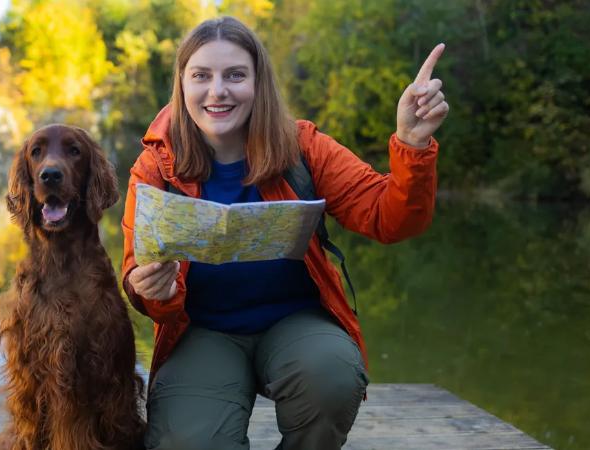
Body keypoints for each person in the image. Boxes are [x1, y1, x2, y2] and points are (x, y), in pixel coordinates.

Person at [120, 16, 447, 450]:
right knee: (187, 442)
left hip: (296, 321)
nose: (218, 91)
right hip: (201, 331)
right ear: (182, 84)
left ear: (258, 83)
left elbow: (389, 219)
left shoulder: (303, 148)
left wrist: (412, 143)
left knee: (331, 378)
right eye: (202, 76)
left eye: (235, 75)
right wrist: (150, 289)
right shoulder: (155, 166)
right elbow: (139, 285)